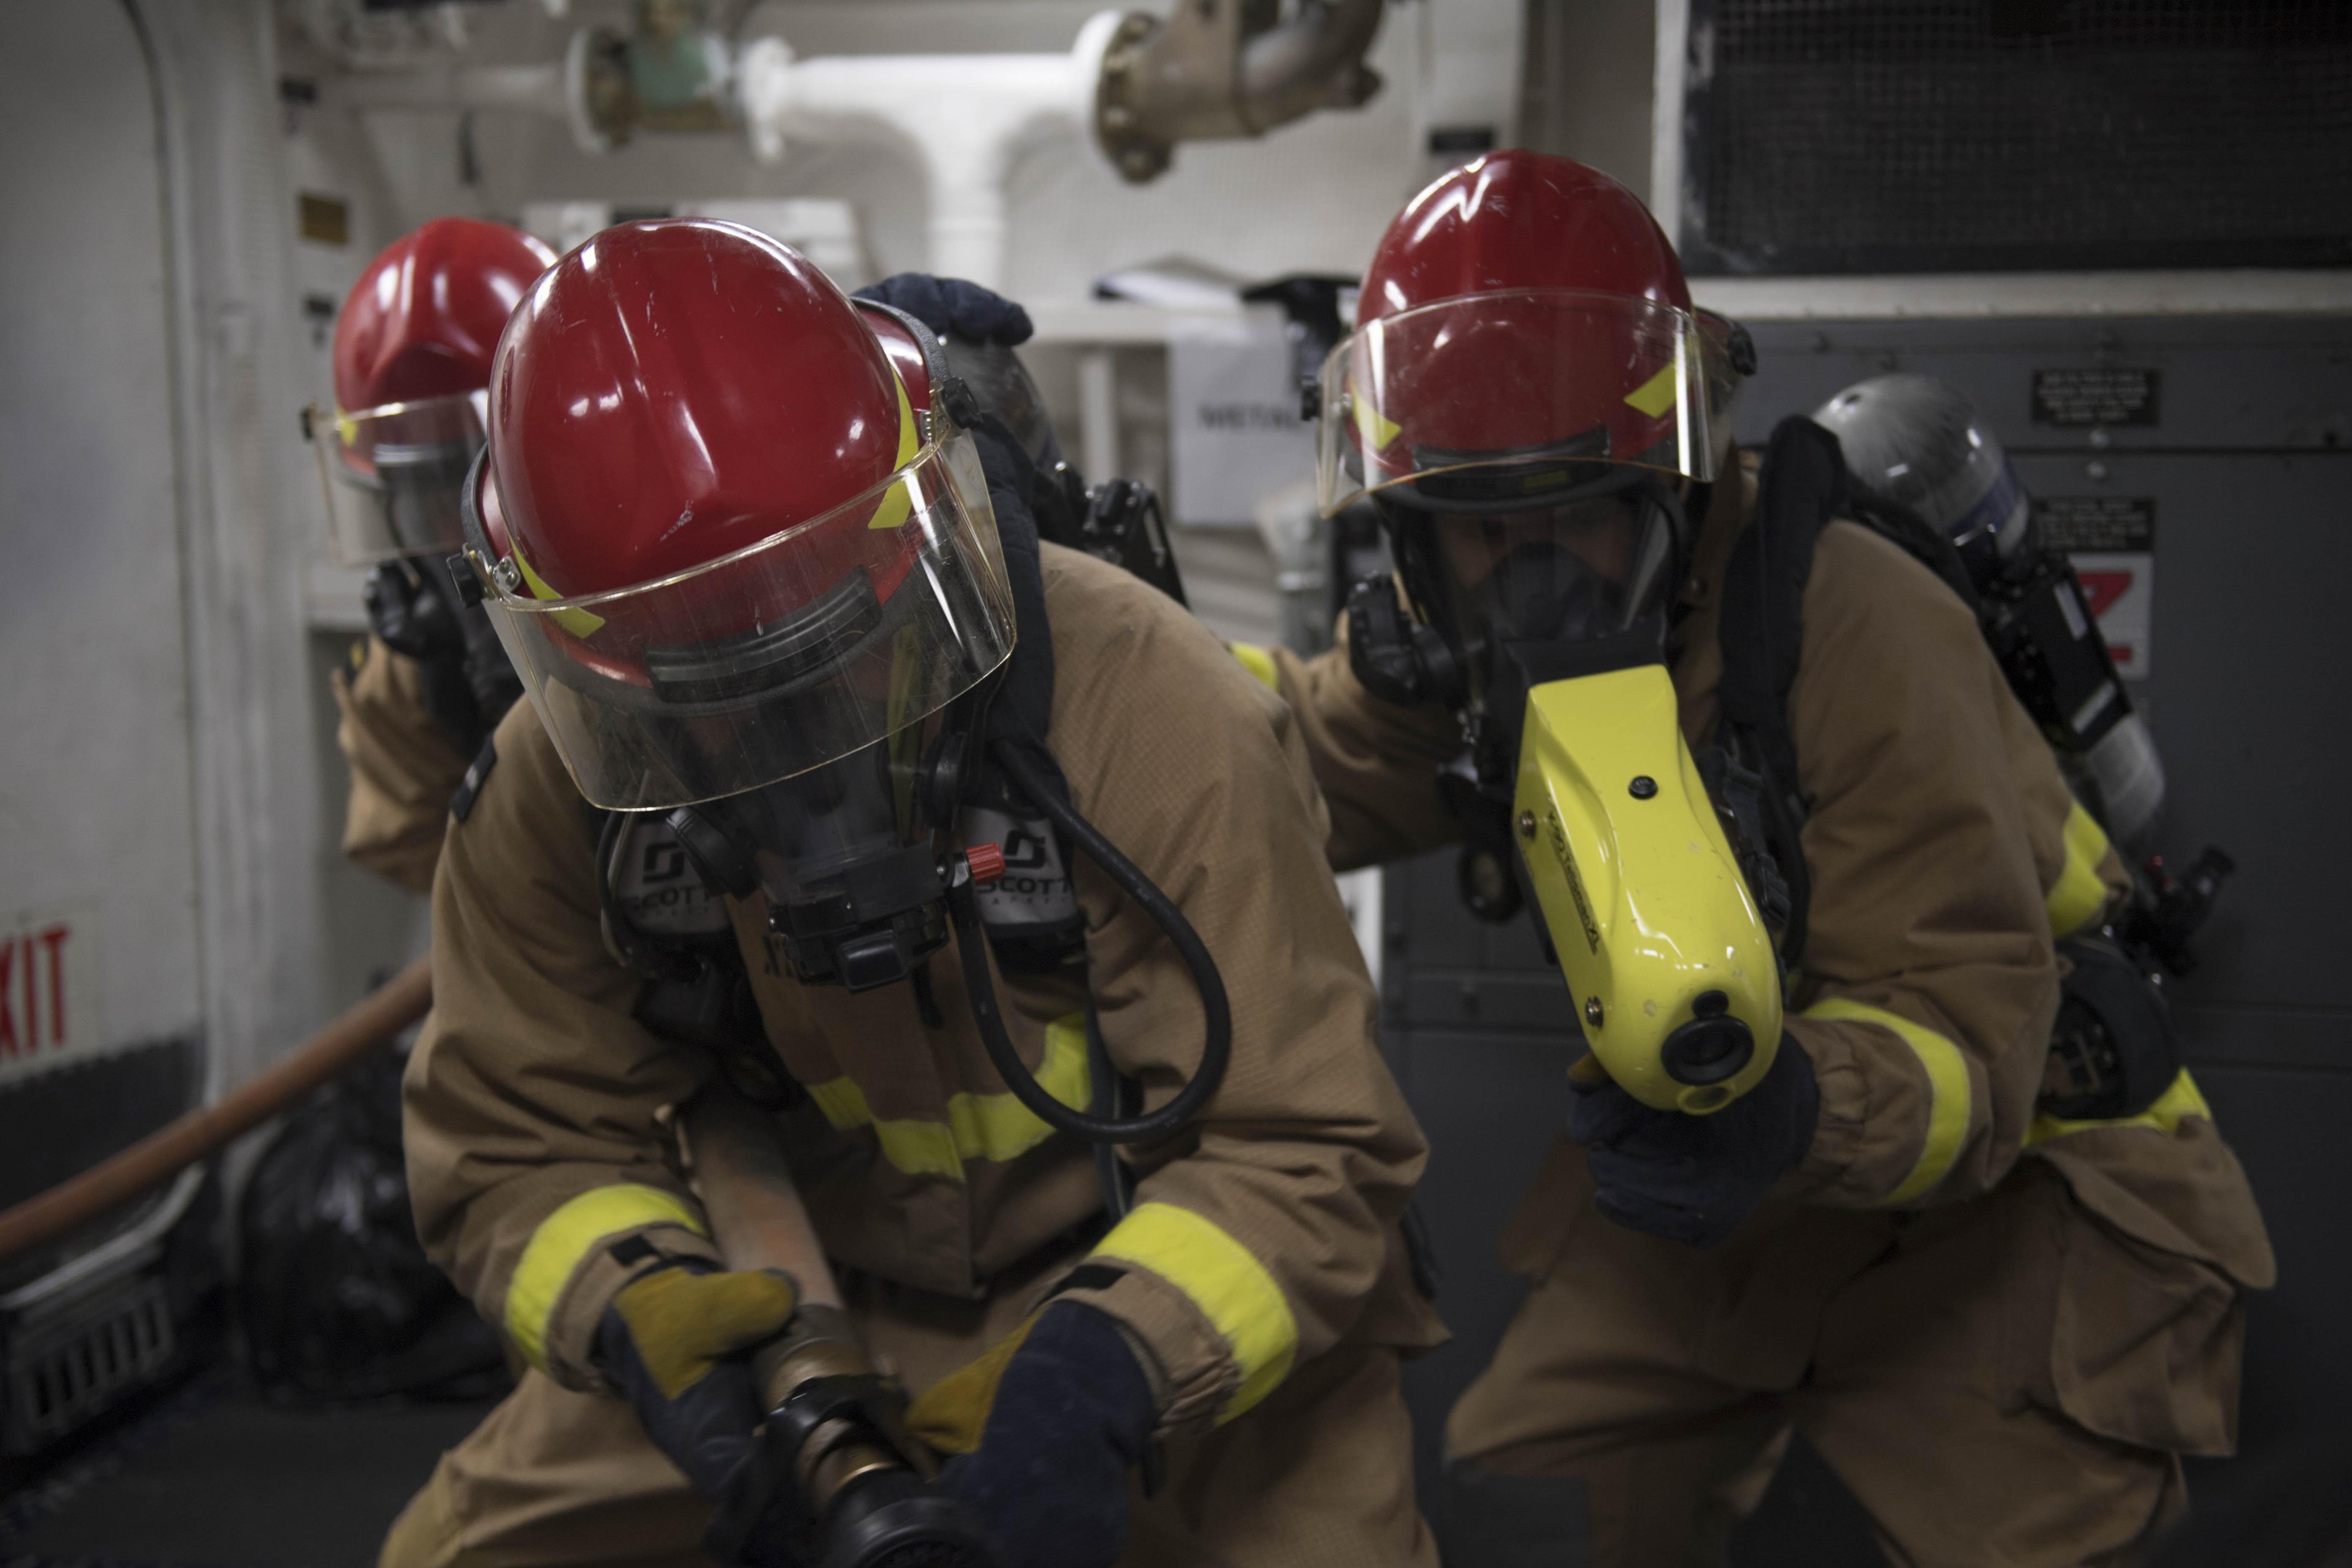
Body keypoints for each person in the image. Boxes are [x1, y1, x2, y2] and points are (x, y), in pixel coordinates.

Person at [1259, 151, 2273, 1567]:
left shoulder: (1865, 631)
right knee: (1526, 1500)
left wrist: (1790, 1114)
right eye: (1486, 524)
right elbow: (1282, 751)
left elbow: (1971, 1053)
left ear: (1671, 488)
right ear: (1418, 541)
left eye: (1580, 510)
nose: (1534, 567)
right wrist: (1083, 656)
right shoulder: (1464, 646)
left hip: (2021, 1191)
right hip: (1744, 1195)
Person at [380, 219, 1442, 1568]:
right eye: (710, 691)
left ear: (921, 530)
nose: (790, 739)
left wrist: (1108, 1373)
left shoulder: (1150, 705)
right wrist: (642, 1317)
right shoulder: (555, 788)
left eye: (831, 650)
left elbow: (1307, 1150)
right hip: (784, 1313)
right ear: (588, 660)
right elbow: (513, 1144)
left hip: (1146, 1275)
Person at [311, 217, 555, 893]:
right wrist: (476, 736)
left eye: (489, 484)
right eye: (430, 494)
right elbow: (418, 854)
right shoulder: (411, 663)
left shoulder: (666, 593)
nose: (461, 527)